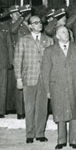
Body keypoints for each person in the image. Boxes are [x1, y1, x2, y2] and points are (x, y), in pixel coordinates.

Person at [41, 25, 76, 149]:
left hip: (75, 85)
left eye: (66, 32)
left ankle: (73, 140)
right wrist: (47, 90)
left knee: (74, 112)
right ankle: (61, 140)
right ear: (57, 36)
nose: (65, 34)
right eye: (62, 32)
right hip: (57, 86)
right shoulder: (49, 51)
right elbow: (45, 71)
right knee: (59, 112)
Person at [14, 15, 53, 143]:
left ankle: (40, 133)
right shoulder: (23, 40)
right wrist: (18, 78)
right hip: (29, 77)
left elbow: (52, 60)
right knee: (29, 107)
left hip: (44, 79)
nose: (39, 24)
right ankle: (29, 134)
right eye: (35, 23)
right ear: (30, 26)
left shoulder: (49, 40)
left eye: (40, 22)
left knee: (42, 107)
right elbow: (18, 60)